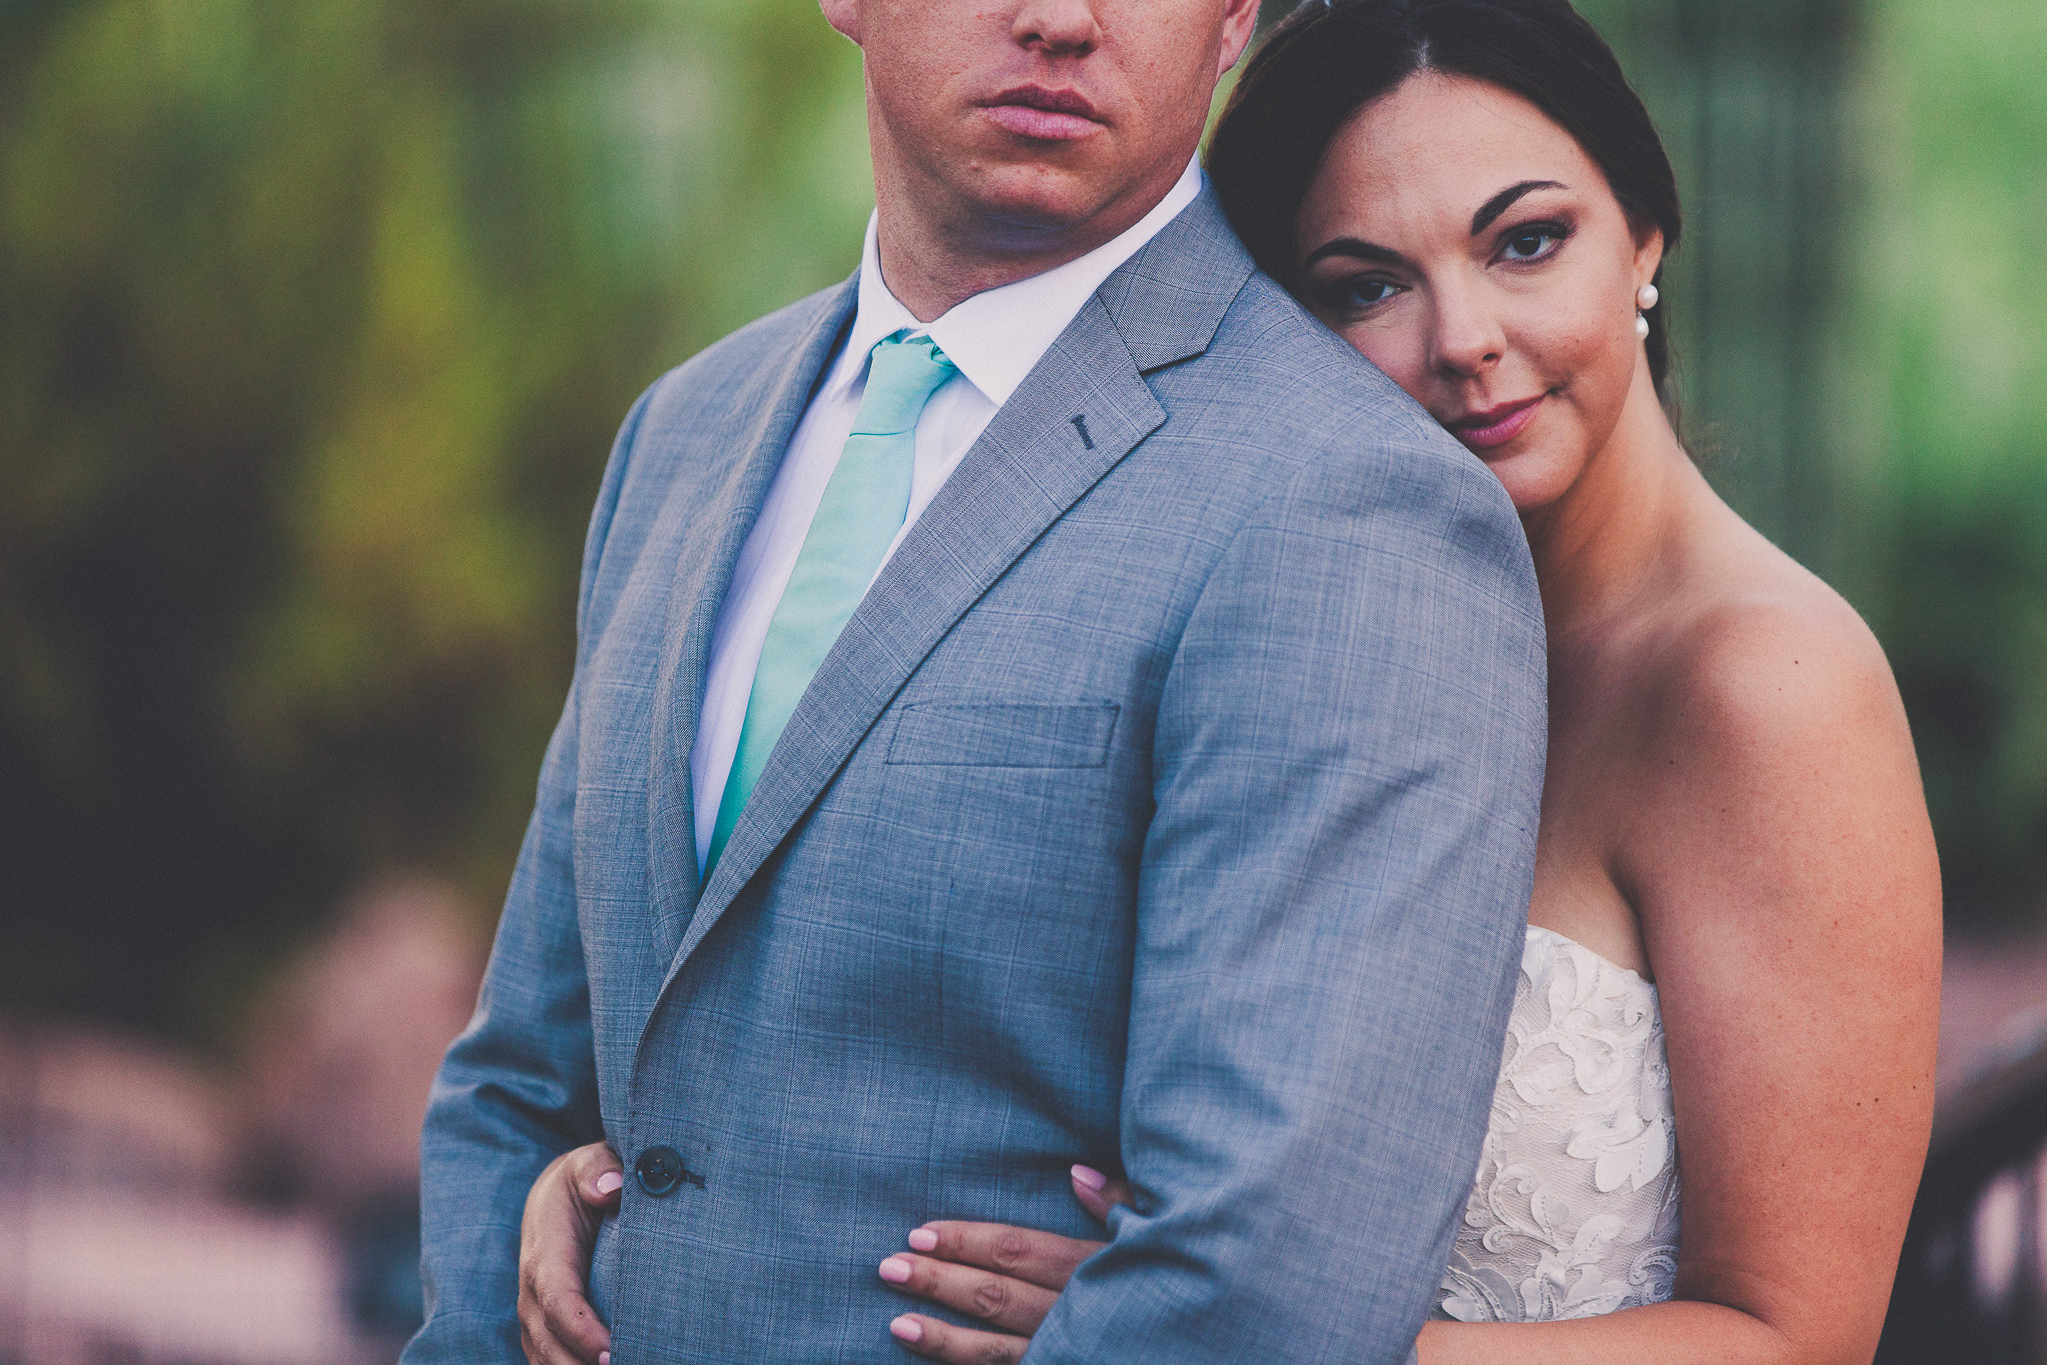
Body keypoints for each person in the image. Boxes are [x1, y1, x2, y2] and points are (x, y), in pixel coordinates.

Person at [518, 0, 1941, 1361]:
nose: (1462, 339)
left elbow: (1801, 1333)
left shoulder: (1766, 688)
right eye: (1365, 285)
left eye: (1526, 242)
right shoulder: (1282, 594)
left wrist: (1243, 1333)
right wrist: (601, 1182)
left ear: (1647, 233)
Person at [409, 0, 1551, 1361]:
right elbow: (519, 1084)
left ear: (1237, 14)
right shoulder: (683, 434)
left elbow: (1278, 1271)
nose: (1061, 19)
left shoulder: (1354, 505)